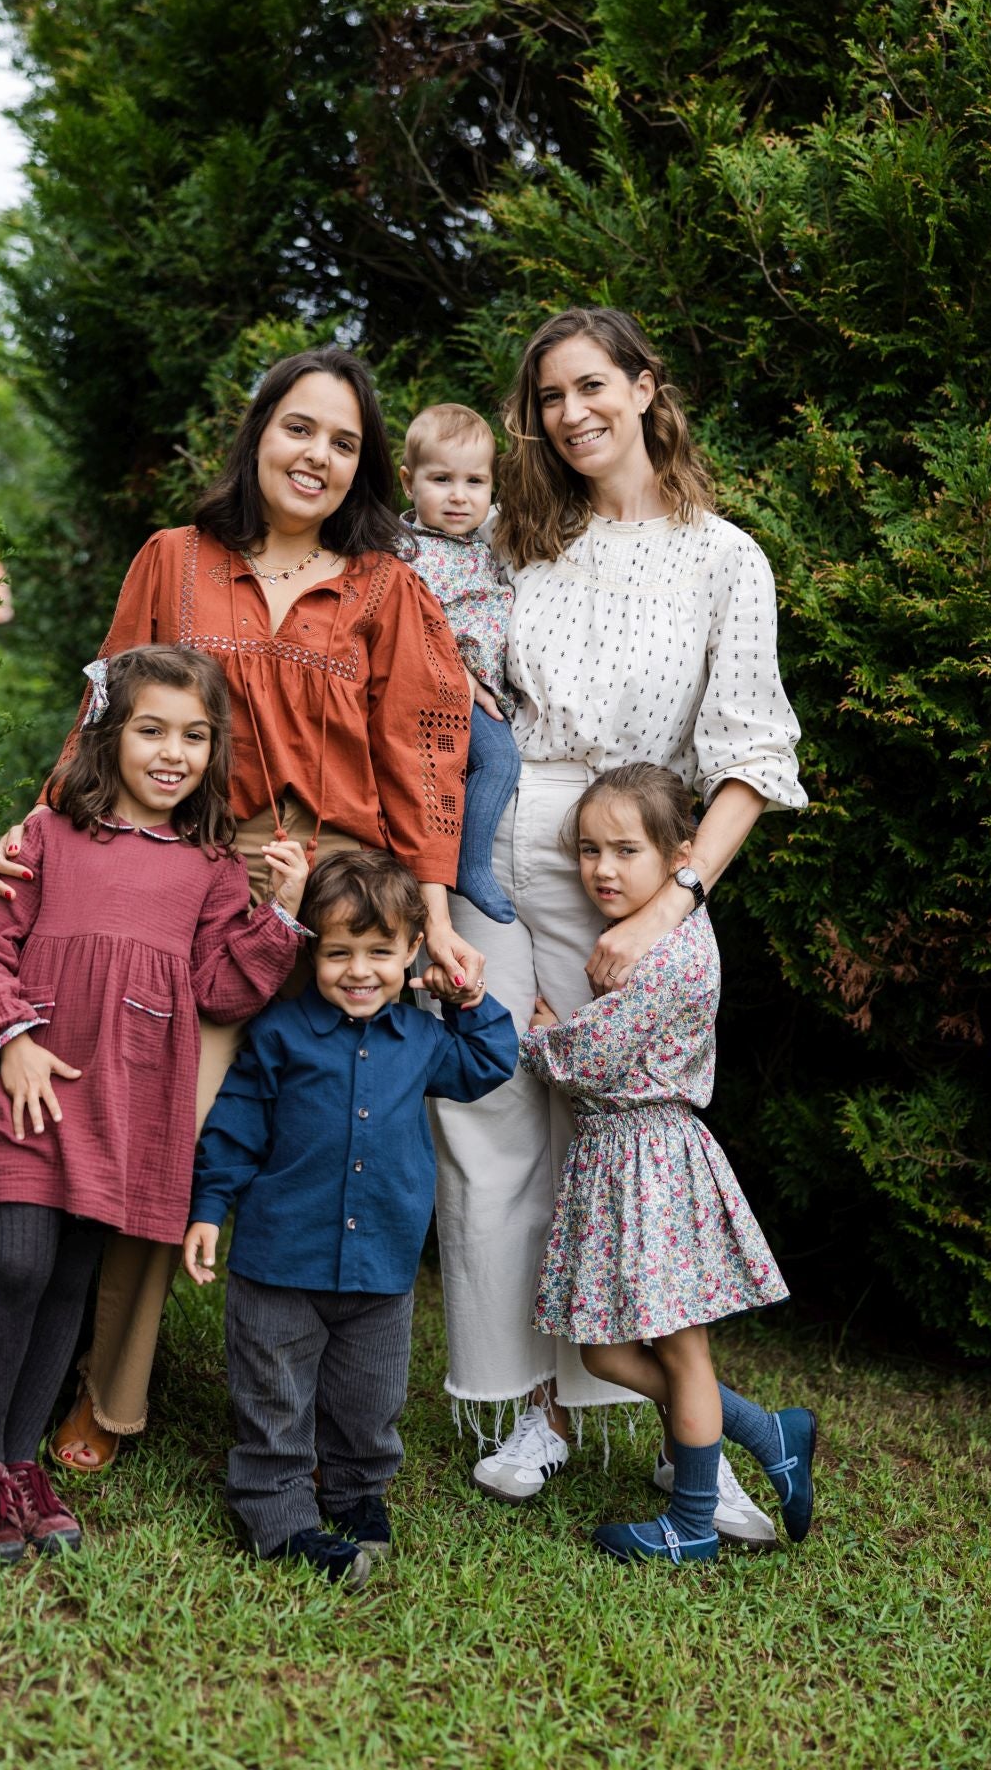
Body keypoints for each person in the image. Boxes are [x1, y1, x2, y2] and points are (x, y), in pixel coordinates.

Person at [0, 347, 484, 1471]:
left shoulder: (387, 589)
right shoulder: (176, 560)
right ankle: (107, 1398)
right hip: (196, 873)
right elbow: (106, 711)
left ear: (363, 470)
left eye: (344, 443)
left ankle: (308, 1401)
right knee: (162, 1125)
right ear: (259, 434)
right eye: (300, 429)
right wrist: (37, 831)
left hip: (345, 885)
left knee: (330, 1131)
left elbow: (427, 753)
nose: (317, 455)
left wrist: (434, 914)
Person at [426, 307, 807, 1549]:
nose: (570, 414)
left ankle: (699, 1439)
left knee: (617, 1156)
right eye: (547, 397)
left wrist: (673, 901)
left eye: (592, 387)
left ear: (644, 388)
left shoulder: (722, 558)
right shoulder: (512, 540)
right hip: (499, 846)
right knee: (493, 1134)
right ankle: (535, 1409)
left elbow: (749, 756)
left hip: (631, 868)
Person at [0, 645, 308, 1563]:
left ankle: (25, 1465)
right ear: (111, 735)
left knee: (72, 1276)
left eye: (195, 735)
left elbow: (225, 991)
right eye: (152, 729)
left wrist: (282, 917)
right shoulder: (46, 838)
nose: (173, 752)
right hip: (35, 1089)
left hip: (130, 1100)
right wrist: (12, 1040)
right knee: (22, 1262)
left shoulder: (214, 868)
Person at [182, 852, 517, 1587]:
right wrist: (208, 1208)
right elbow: (236, 1124)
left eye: (379, 952)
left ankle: (357, 1493)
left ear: (410, 953)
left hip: (381, 1266)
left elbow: (493, 1059)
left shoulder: (427, 1043)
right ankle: (277, 1514)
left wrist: (464, 998)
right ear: (311, 950)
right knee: (274, 1397)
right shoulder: (282, 1034)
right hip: (279, 1261)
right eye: (338, 953)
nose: (358, 970)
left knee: (370, 1400)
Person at [520, 763, 815, 1563]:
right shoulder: (644, 941)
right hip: (616, 1161)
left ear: (679, 854)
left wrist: (546, 1036)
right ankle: (766, 1432)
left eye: (624, 851)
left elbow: (592, 1055)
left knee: (681, 1353)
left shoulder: (674, 947)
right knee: (603, 1350)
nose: (602, 870)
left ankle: (692, 1524)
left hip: (652, 1161)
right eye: (588, 851)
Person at [400, 403, 520, 923]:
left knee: (474, 768)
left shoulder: (480, 545)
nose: (458, 495)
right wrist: (458, 671)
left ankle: (451, 866)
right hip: (440, 687)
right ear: (409, 482)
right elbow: (405, 622)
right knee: (498, 762)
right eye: (441, 478)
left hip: (471, 689)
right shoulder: (404, 551)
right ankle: (468, 867)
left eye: (474, 481)